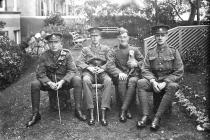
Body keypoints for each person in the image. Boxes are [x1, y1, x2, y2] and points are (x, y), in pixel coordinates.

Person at [26, 32, 86, 127]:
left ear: (60, 43)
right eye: (51, 42)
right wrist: (49, 83)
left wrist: (62, 81)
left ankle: (78, 110)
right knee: (34, 84)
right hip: (50, 83)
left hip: (64, 82)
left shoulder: (66, 54)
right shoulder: (44, 56)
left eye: (56, 42)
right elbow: (40, 73)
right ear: (48, 44)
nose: (53, 45)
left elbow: (72, 70)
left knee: (77, 80)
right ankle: (35, 114)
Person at [137, 24, 184, 131]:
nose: (160, 37)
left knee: (172, 86)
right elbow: (145, 69)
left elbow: (179, 71)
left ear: (167, 36)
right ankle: (146, 116)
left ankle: (157, 118)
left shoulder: (173, 51)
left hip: (168, 82)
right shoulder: (150, 52)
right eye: (157, 35)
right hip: (154, 81)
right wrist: (153, 81)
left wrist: (165, 82)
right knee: (140, 83)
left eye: (162, 35)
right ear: (154, 37)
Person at [106, 27, 144, 123]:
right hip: (120, 75)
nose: (123, 39)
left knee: (132, 80)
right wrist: (119, 73)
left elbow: (144, 62)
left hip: (133, 75)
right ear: (118, 38)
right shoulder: (113, 51)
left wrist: (136, 64)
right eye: (120, 37)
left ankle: (123, 109)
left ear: (128, 38)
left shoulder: (134, 49)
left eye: (125, 37)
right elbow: (110, 65)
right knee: (122, 79)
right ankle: (126, 109)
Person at [76, 27, 112, 126]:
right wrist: (89, 68)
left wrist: (103, 68)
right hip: (89, 72)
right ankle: (91, 112)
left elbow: (111, 61)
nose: (94, 38)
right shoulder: (85, 49)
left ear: (100, 37)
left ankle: (103, 112)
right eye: (92, 36)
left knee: (108, 81)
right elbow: (79, 61)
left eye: (96, 36)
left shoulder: (106, 48)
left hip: (102, 72)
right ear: (90, 37)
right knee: (86, 80)